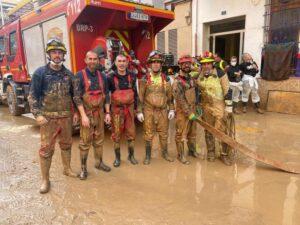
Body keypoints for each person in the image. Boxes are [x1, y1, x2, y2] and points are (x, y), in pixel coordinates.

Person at [28, 39, 79, 194]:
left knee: (66, 144)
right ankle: (45, 180)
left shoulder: (69, 75)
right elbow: (32, 96)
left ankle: (67, 169)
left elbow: (75, 96)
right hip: (48, 118)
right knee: (46, 149)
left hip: (65, 117)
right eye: (54, 52)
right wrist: (37, 115)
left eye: (59, 52)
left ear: (63, 55)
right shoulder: (40, 73)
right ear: (49, 54)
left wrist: (76, 112)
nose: (57, 55)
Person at [75, 51, 111, 180]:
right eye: (90, 59)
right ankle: (83, 169)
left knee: (99, 140)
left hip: (100, 113)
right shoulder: (79, 76)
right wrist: (83, 115)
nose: (92, 61)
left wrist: (107, 113)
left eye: (95, 59)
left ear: (98, 61)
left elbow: (106, 95)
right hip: (87, 114)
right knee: (85, 142)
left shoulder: (103, 76)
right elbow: (77, 97)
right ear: (85, 60)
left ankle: (99, 163)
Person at [137, 50, 175, 165]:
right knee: (148, 133)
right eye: (153, 62)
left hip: (163, 110)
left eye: (158, 62)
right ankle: (148, 156)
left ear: (161, 64)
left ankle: (165, 153)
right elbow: (140, 97)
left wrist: (172, 109)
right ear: (150, 64)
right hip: (149, 110)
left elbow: (170, 97)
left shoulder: (167, 79)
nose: (156, 64)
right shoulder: (144, 79)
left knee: (164, 133)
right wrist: (139, 111)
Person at [197, 51, 233, 166]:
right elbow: (197, 91)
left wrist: (229, 106)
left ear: (213, 63)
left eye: (208, 63)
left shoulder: (220, 73)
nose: (206, 66)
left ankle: (224, 154)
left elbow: (227, 90)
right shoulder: (199, 75)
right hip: (206, 106)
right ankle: (211, 152)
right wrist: (198, 105)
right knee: (208, 130)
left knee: (222, 129)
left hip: (219, 105)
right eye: (203, 64)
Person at [107, 54, 138, 167]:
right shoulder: (110, 77)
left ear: (127, 63)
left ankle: (131, 156)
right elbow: (106, 95)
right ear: (115, 63)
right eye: (119, 61)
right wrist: (107, 113)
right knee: (116, 134)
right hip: (116, 110)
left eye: (124, 61)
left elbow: (135, 93)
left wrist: (136, 109)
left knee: (131, 133)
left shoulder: (133, 75)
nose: (121, 63)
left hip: (129, 109)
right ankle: (118, 158)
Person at [172, 55, 201, 165]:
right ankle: (181, 156)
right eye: (184, 64)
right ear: (180, 65)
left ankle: (192, 151)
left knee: (192, 133)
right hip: (182, 112)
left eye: (188, 63)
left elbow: (196, 92)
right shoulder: (177, 81)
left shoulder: (192, 78)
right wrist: (188, 113)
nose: (186, 65)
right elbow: (180, 100)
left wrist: (197, 107)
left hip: (193, 109)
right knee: (181, 134)